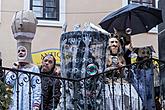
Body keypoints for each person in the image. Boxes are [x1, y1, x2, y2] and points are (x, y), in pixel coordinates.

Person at [105, 36, 142, 110]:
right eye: (112, 42)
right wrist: (110, 69)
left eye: (116, 42)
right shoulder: (104, 58)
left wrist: (122, 68)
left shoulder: (122, 58)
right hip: (109, 84)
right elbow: (101, 72)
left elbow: (124, 75)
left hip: (121, 83)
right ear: (108, 45)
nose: (114, 44)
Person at [5, 45, 41, 110]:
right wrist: (13, 70)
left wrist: (36, 103)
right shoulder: (15, 67)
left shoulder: (34, 68)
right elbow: (9, 83)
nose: (20, 52)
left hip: (28, 99)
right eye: (19, 51)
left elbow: (37, 86)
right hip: (15, 99)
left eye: (23, 50)